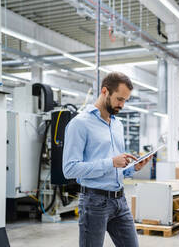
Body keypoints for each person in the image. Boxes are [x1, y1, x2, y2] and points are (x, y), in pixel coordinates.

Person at [62, 72, 152, 247]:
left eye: (125, 100)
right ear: (105, 91)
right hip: (94, 202)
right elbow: (69, 169)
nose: (122, 105)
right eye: (119, 99)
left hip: (120, 201)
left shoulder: (117, 125)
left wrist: (133, 167)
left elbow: (117, 167)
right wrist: (110, 162)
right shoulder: (80, 124)